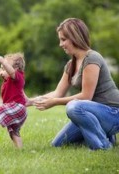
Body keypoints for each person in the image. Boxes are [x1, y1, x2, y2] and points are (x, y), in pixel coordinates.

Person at [28, 18, 119, 150]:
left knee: (74, 107)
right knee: (58, 144)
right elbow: (57, 93)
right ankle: (105, 135)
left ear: (75, 37)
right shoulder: (71, 65)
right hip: (92, 116)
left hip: (113, 113)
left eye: (63, 39)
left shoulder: (92, 58)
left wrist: (54, 102)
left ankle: (103, 146)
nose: (60, 44)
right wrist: (28, 102)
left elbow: (86, 97)